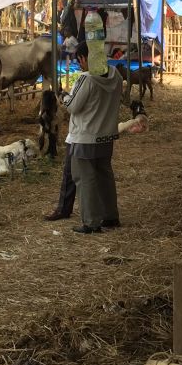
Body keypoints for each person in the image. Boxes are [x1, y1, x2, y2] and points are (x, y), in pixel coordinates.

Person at [61, 40, 124, 234]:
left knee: (85, 178)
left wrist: (64, 96)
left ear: (84, 58)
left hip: (85, 137)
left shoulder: (86, 79)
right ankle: (110, 215)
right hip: (106, 134)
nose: (80, 65)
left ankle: (91, 221)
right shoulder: (116, 75)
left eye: (79, 61)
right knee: (105, 175)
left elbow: (72, 106)